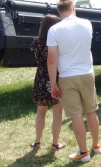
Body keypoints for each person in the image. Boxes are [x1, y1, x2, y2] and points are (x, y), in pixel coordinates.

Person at [47, 0, 101, 163]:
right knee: (91, 111)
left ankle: (83, 152)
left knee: (76, 115)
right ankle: (96, 145)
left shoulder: (54, 30)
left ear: (59, 11)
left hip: (67, 76)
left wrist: (53, 84)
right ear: (73, 8)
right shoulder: (87, 24)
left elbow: (51, 60)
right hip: (87, 73)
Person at [29, 14, 66, 151]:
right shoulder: (58, 41)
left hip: (40, 78)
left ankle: (37, 142)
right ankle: (55, 144)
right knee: (57, 113)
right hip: (55, 77)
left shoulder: (36, 43)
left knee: (41, 112)